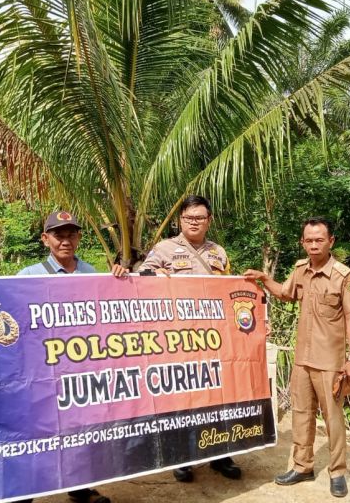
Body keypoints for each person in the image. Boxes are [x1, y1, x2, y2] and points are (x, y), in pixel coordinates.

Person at [244, 217, 350, 498]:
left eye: (319, 240)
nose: (313, 245)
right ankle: (302, 466)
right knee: (301, 414)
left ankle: (338, 472)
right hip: (302, 358)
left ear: (331, 241)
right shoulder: (301, 269)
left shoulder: (342, 275)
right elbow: (285, 293)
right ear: (302, 242)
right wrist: (264, 279)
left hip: (330, 360)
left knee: (333, 417)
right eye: (308, 240)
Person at [17, 210, 126, 503]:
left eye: (71, 234)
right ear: (45, 239)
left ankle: (81, 489)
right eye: (58, 235)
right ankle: (25, 495)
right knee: (39, 435)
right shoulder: (27, 277)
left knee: (81, 434)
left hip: (81, 372)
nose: (65, 241)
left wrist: (121, 280)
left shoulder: (92, 273)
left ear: (78, 238)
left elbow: (110, 314)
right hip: (44, 373)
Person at [139, 194, 241, 483]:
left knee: (219, 395)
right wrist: (154, 273)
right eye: (188, 218)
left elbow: (229, 291)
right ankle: (183, 456)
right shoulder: (164, 248)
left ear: (209, 220)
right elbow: (141, 276)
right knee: (183, 397)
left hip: (214, 338)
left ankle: (221, 453)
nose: (194, 222)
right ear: (180, 220)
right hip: (179, 338)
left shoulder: (218, 252)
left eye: (200, 218)